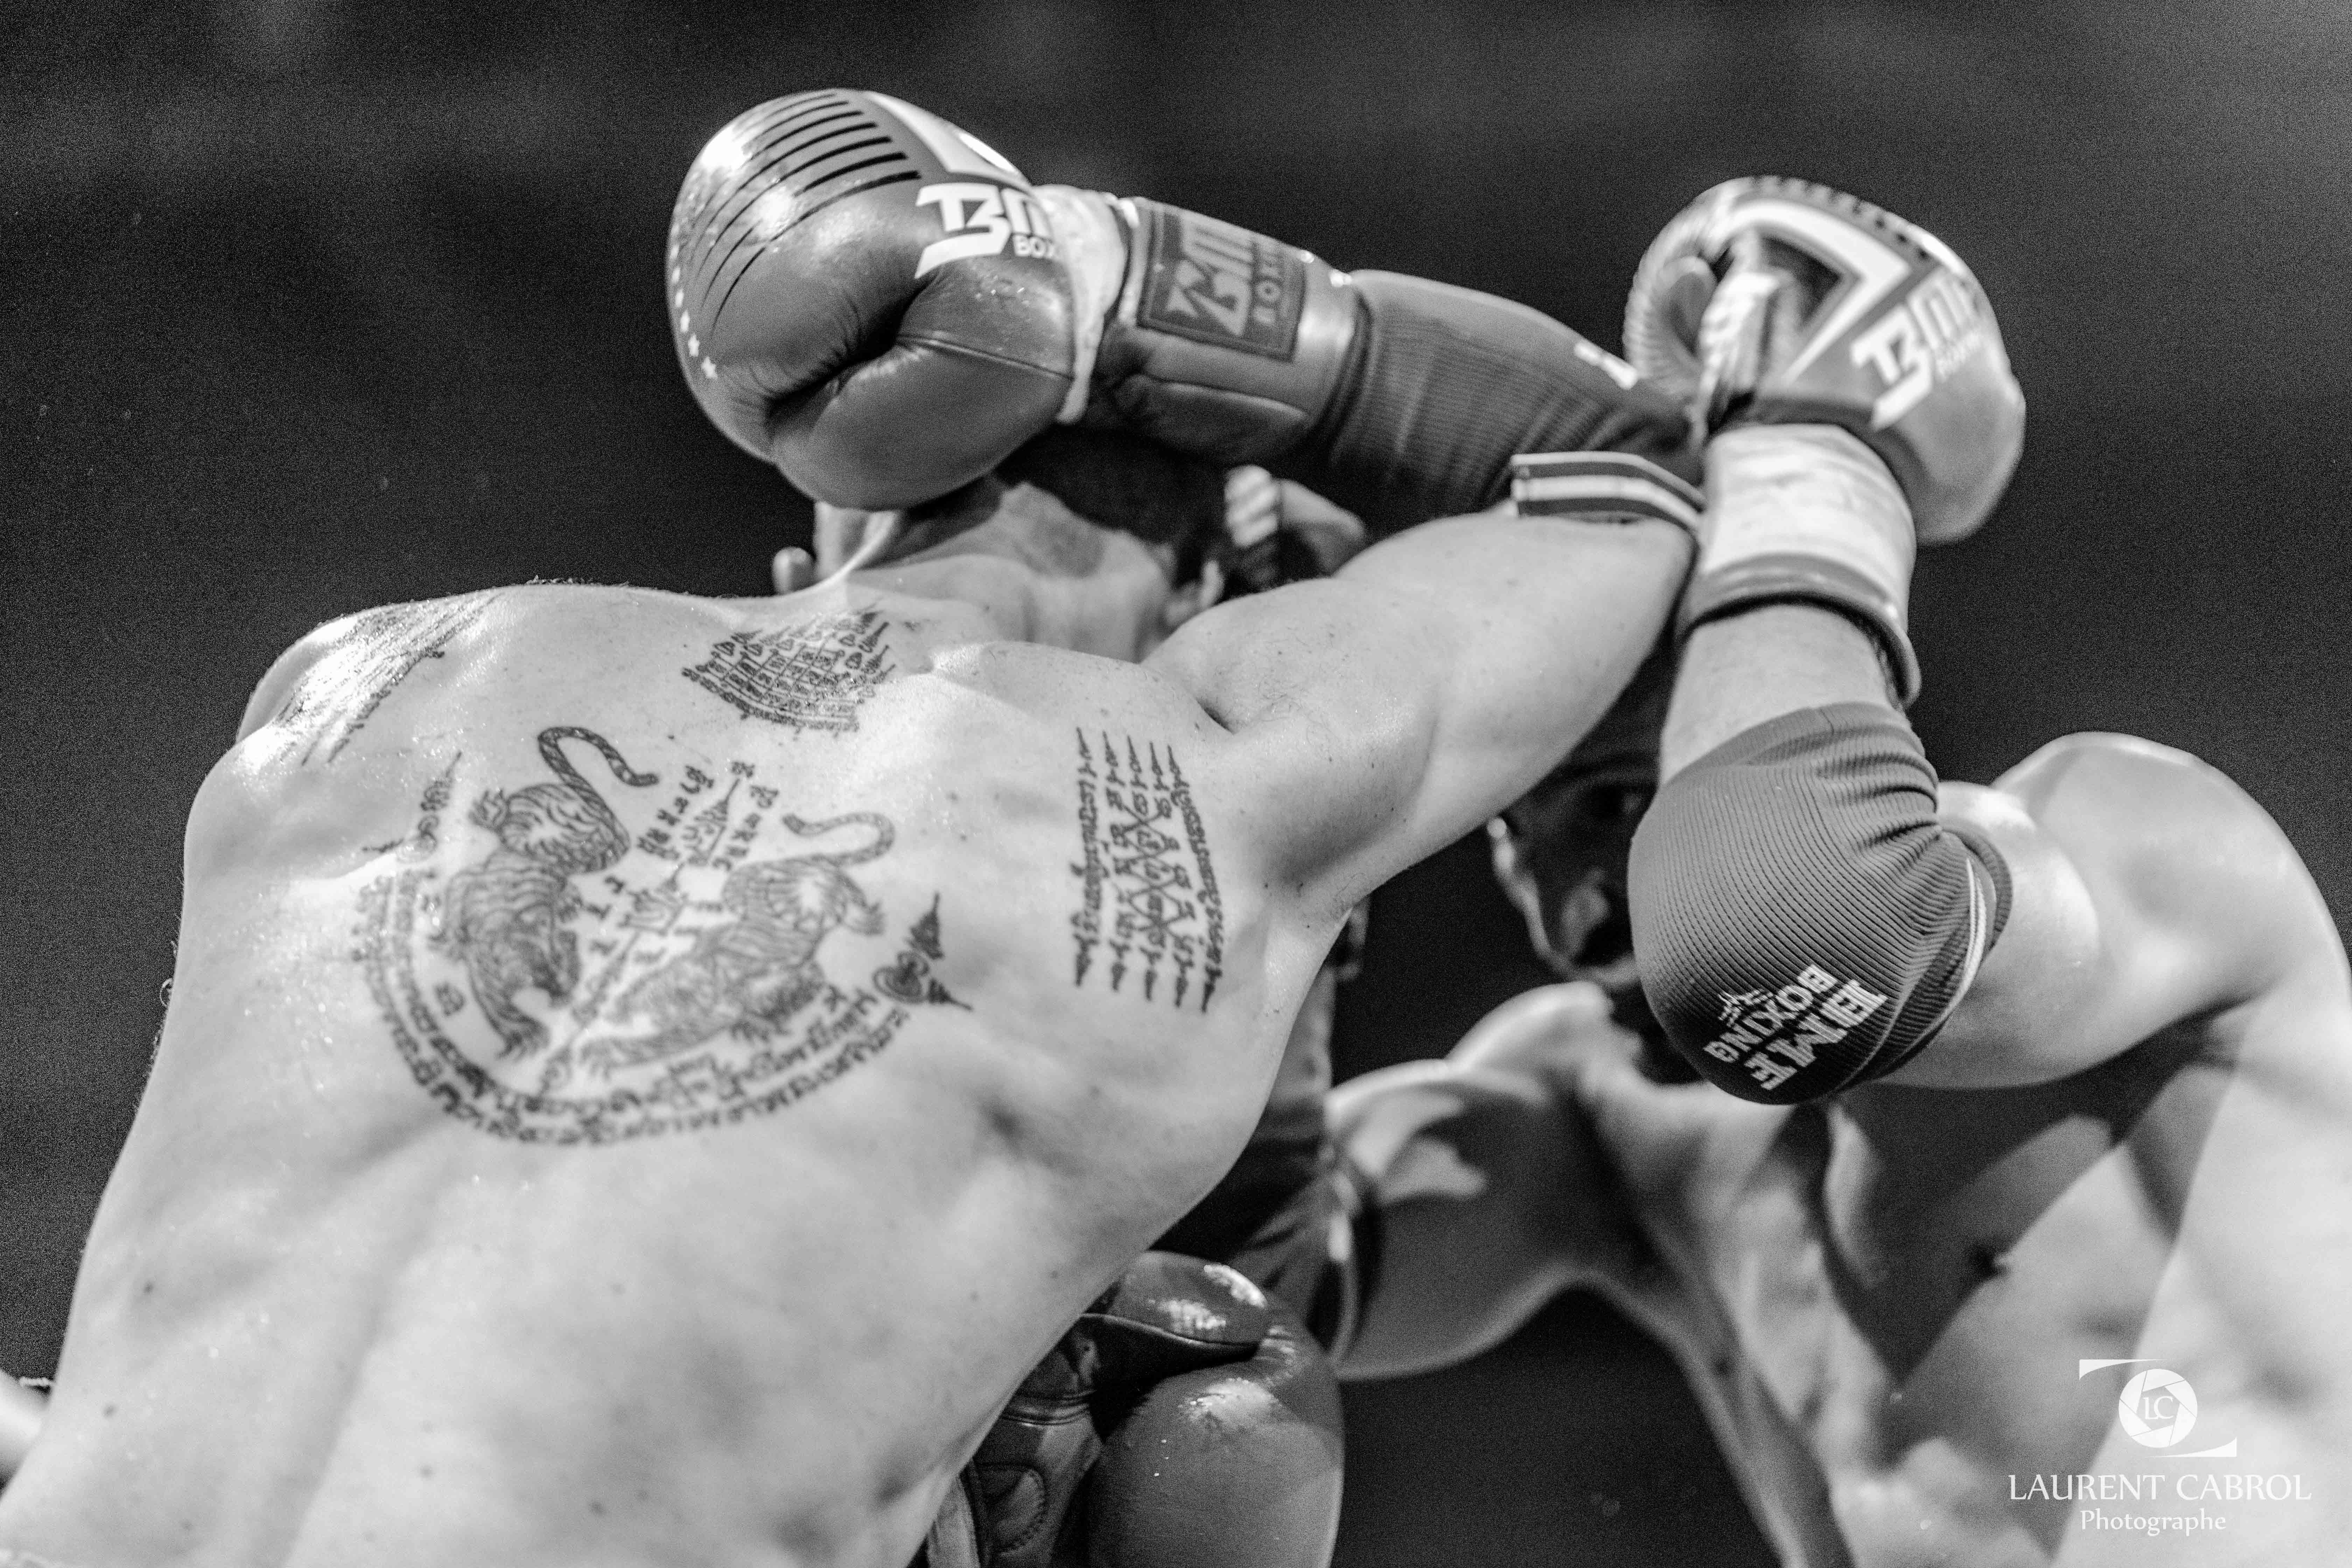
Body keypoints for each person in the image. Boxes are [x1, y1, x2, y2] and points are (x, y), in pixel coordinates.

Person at [0, 92, 1707, 1568]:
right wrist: (1108, 274)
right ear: (1228, 613)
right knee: (1213, 1426)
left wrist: (1008, 270)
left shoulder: (370, 682)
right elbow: (1618, 476)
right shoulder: (1222, 783)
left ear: (810, 559)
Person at [1331, 180, 2352, 1565]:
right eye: (1513, 810)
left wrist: (1807, 464)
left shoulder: (2137, 838)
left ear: (1727, 684)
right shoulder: (1595, 1102)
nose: (1560, 883)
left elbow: (1802, 921)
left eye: (1612, 785)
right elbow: (1223, 1268)